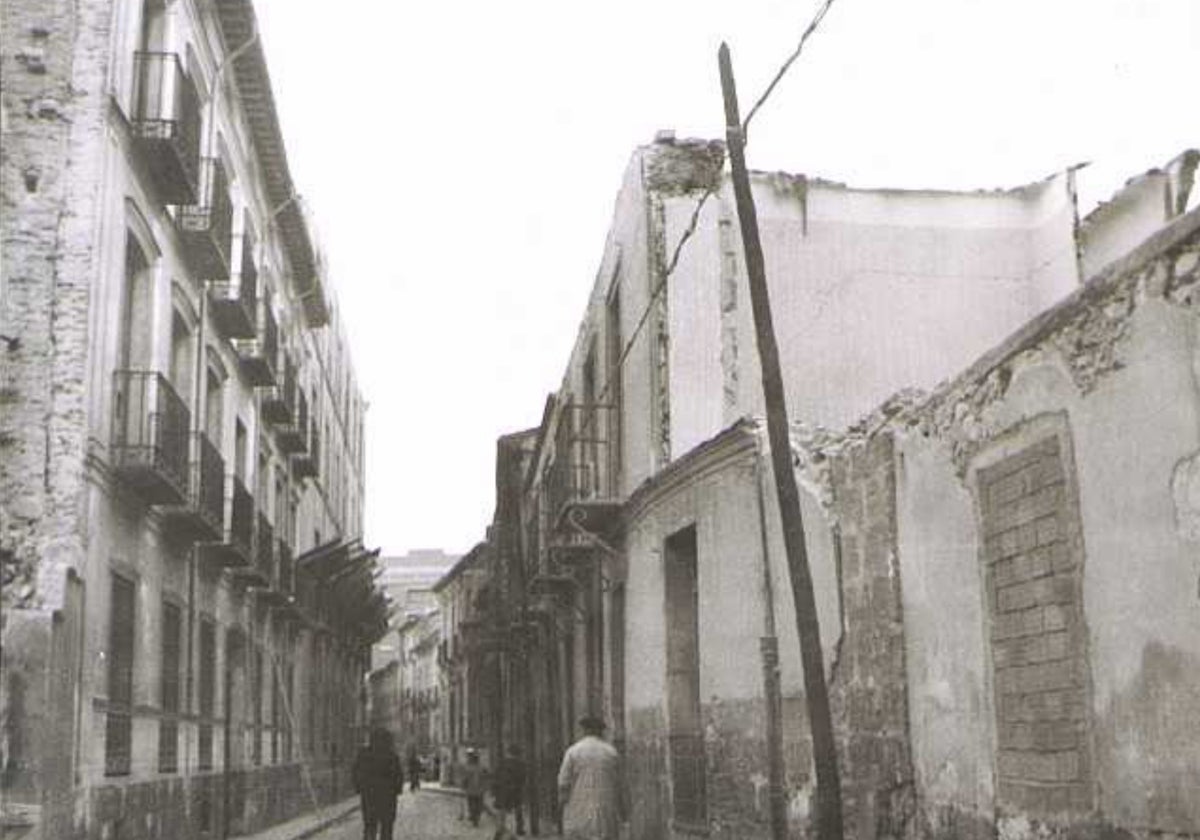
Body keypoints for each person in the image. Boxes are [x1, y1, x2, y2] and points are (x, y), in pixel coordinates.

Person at [557, 717, 624, 840]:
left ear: (584, 730)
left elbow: (563, 782)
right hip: (605, 808)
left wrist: (561, 807)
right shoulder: (611, 752)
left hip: (578, 808)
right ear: (601, 731)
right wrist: (622, 811)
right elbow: (619, 784)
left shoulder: (573, 751)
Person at [352, 728, 405, 840]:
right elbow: (398, 776)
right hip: (388, 799)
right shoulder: (391, 756)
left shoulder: (364, 754)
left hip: (369, 797)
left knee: (369, 827)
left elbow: (356, 772)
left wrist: (359, 789)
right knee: (387, 829)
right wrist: (397, 790)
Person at [491, 743, 527, 839]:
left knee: (502, 813)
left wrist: (494, 791)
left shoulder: (502, 763)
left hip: (502, 792)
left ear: (509, 752)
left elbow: (495, 777)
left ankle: (499, 831)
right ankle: (514, 832)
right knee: (515, 811)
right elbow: (523, 779)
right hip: (515, 792)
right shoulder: (521, 764)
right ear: (518, 754)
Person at [463, 748, 486, 826]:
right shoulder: (482, 767)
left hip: (471, 789)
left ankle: (473, 816)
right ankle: (476, 817)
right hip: (480, 789)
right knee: (479, 804)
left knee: (471, 803)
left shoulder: (468, 767)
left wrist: (463, 785)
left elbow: (465, 778)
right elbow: (486, 776)